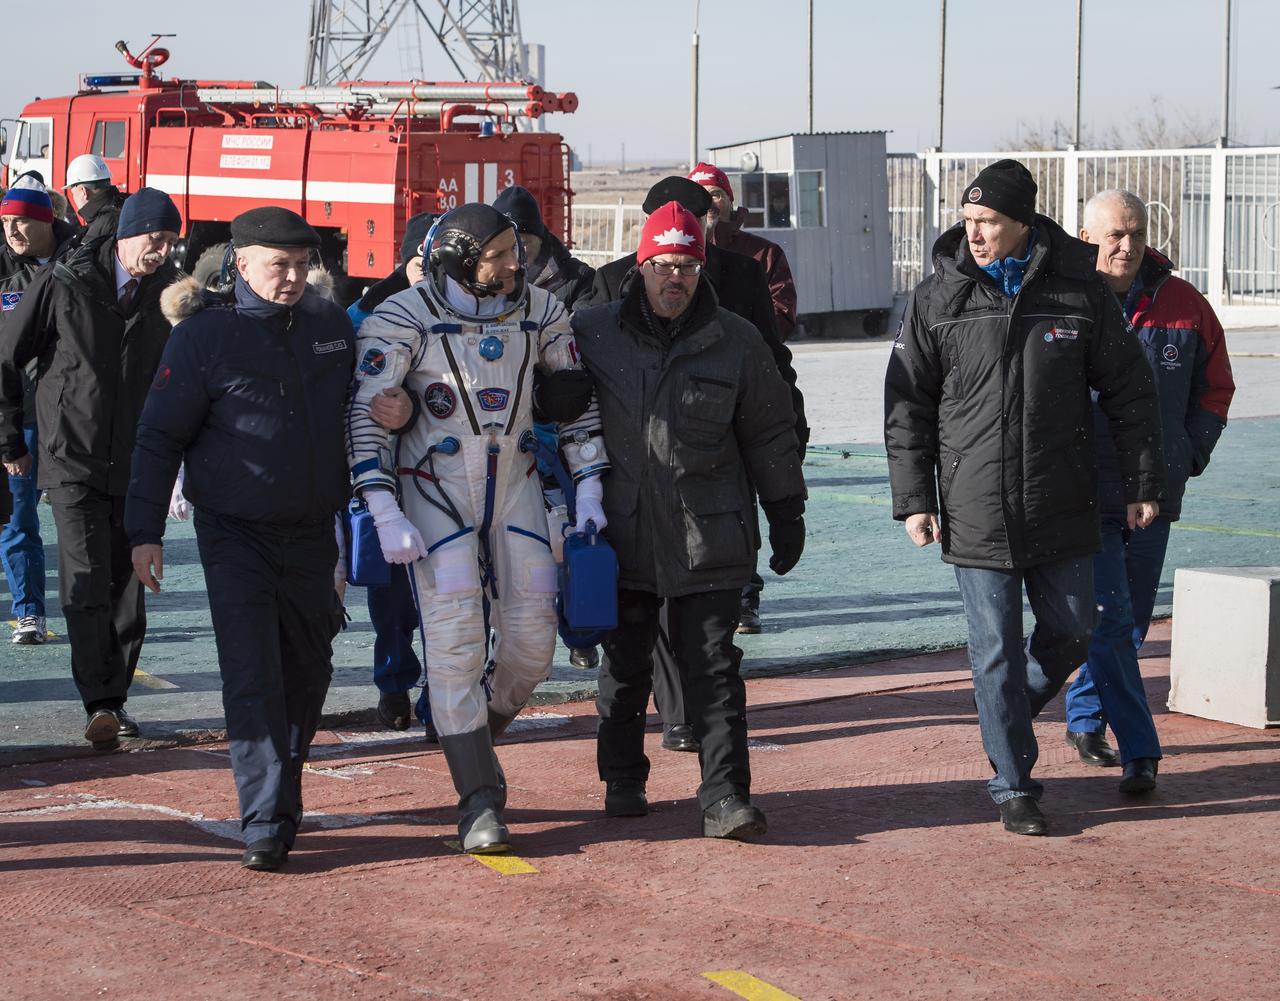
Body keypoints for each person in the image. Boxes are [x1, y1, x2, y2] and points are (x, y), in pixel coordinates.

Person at [884, 159, 1166, 836]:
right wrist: (915, 496)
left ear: (1023, 223)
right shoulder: (936, 298)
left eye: (989, 222)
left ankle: (1005, 708)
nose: (974, 233)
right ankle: (1013, 782)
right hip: (976, 504)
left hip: (1061, 499)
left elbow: (1129, 388)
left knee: (1076, 628)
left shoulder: (1079, 291)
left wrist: (1143, 481)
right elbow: (907, 405)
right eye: (969, 220)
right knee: (995, 650)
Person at [346, 202, 610, 854]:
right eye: (499, 255)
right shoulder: (402, 318)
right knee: (456, 635)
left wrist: (592, 481)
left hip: (515, 483)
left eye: (513, 252)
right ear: (464, 257)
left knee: (531, 645)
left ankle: (476, 743)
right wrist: (381, 507)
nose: (514, 264)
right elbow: (367, 418)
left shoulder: (542, 311)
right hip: (433, 492)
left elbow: (576, 400)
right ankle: (478, 800)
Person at [125, 207, 354, 872]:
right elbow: (159, 433)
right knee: (253, 672)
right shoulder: (203, 337)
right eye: (276, 265)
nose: (290, 278)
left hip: (312, 532)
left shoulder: (329, 326)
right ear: (243, 262)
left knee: (308, 670)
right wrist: (144, 531)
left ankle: (281, 785)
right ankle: (266, 818)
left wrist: (389, 407)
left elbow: (364, 402)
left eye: (299, 264)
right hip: (235, 534)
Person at [573, 201, 806, 841]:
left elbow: (769, 432)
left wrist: (787, 511)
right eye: (663, 266)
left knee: (714, 669)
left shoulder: (735, 339)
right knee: (624, 666)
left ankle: (726, 795)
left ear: (701, 271)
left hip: (710, 532)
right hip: (621, 534)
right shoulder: (593, 331)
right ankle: (623, 778)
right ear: (641, 265)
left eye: (687, 267)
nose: (674, 279)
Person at [1061, 189, 1235, 793]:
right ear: (1086, 239)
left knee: (1128, 618)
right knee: (1104, 618)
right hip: (1082, 491)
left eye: (1135, 234)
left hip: (1151, 490)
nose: (1127, 246)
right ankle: (1132, 744)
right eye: (1114, 235)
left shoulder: (1184, 303)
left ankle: (1084, 717)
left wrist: (1189, 453)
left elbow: (1216, 387)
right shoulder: (1061, 299)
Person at [0, 187, 180, 749]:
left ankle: (116, 698)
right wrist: (10, 440)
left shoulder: (168, 298)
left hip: (137, 460)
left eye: (171, 241)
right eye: (155, 238)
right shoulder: (66, 281)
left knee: (130, 585)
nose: (162, 250)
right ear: (127, 235)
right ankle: (99, 701)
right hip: (70, 456)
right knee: (84, 581)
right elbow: (7, 356)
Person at [347, 211, 438, 736]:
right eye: (419, 264)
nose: (428, 275)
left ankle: (439, 697)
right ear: (406, 263)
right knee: (389, 596)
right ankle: (394, 685)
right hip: (380, 474)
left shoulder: (466, 317)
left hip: (442, 475)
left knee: (448, 593)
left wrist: (415, 410)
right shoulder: (361, 317)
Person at [0, 174, 79, 645]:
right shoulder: (3, 268)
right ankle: (29, 610)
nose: (11, 230)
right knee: (20, 514)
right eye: (5, 221)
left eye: (20, 221)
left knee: (81, 516)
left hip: (73, 414)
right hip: (22, 415)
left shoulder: (81, 259)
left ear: (44, 219)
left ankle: (92, 608)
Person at [689, 162, 798, 341]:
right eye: (699, 196)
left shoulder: (765, 253)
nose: (708, 202)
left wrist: (744, 344)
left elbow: (781, 312)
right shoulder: (674, 255)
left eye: (716, 194)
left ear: (730, 201)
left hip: (749, 360)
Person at [493, 185, 595, 310]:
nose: (513, 256)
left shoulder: (579, 280)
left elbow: (582, 325)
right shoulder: (479, 282)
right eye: (502, 246)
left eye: (522, 244)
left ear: (540, 239)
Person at [64, 154, 127, 244]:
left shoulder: (101, 227)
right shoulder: (127, 204)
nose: (74, 198)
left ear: (83, 192)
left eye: (73, 193)